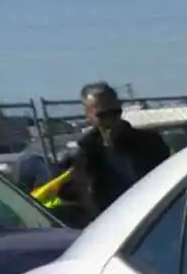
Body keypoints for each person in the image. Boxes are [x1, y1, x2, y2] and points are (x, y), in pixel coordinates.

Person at [50, 82, 170, 226]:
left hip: (153, 223)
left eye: (115, 113)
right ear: (88, 115)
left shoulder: (150, 144)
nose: (110, 121)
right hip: (109, 228)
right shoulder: (83, 158)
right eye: (102, 115)